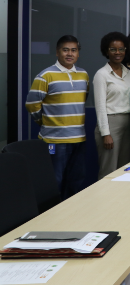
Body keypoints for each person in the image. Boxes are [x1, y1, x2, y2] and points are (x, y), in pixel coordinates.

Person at [25, 35, 89, 199]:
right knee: (54, 181)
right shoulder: (45, 75)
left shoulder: (83, 75)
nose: (70, 54)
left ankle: (70, 216)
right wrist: (46, 122)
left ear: (78, 54)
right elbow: (32, 105)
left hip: (78, 138)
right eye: (65, 50)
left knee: (75, 180)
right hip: (54, 140)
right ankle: (50, 218)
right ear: (57, 52)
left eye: (73, 50)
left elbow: (81, 100)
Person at [93, 32, 130, 180]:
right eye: (113, 49)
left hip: (128, 123)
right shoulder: (101, 74)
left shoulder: (128, 73)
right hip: (111, 124)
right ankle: (103, 202)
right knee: (108, 170)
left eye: (121, 49)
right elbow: (100, 106)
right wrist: (106, 133)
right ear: (106, 51)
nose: (118, 53)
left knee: (125, 169)